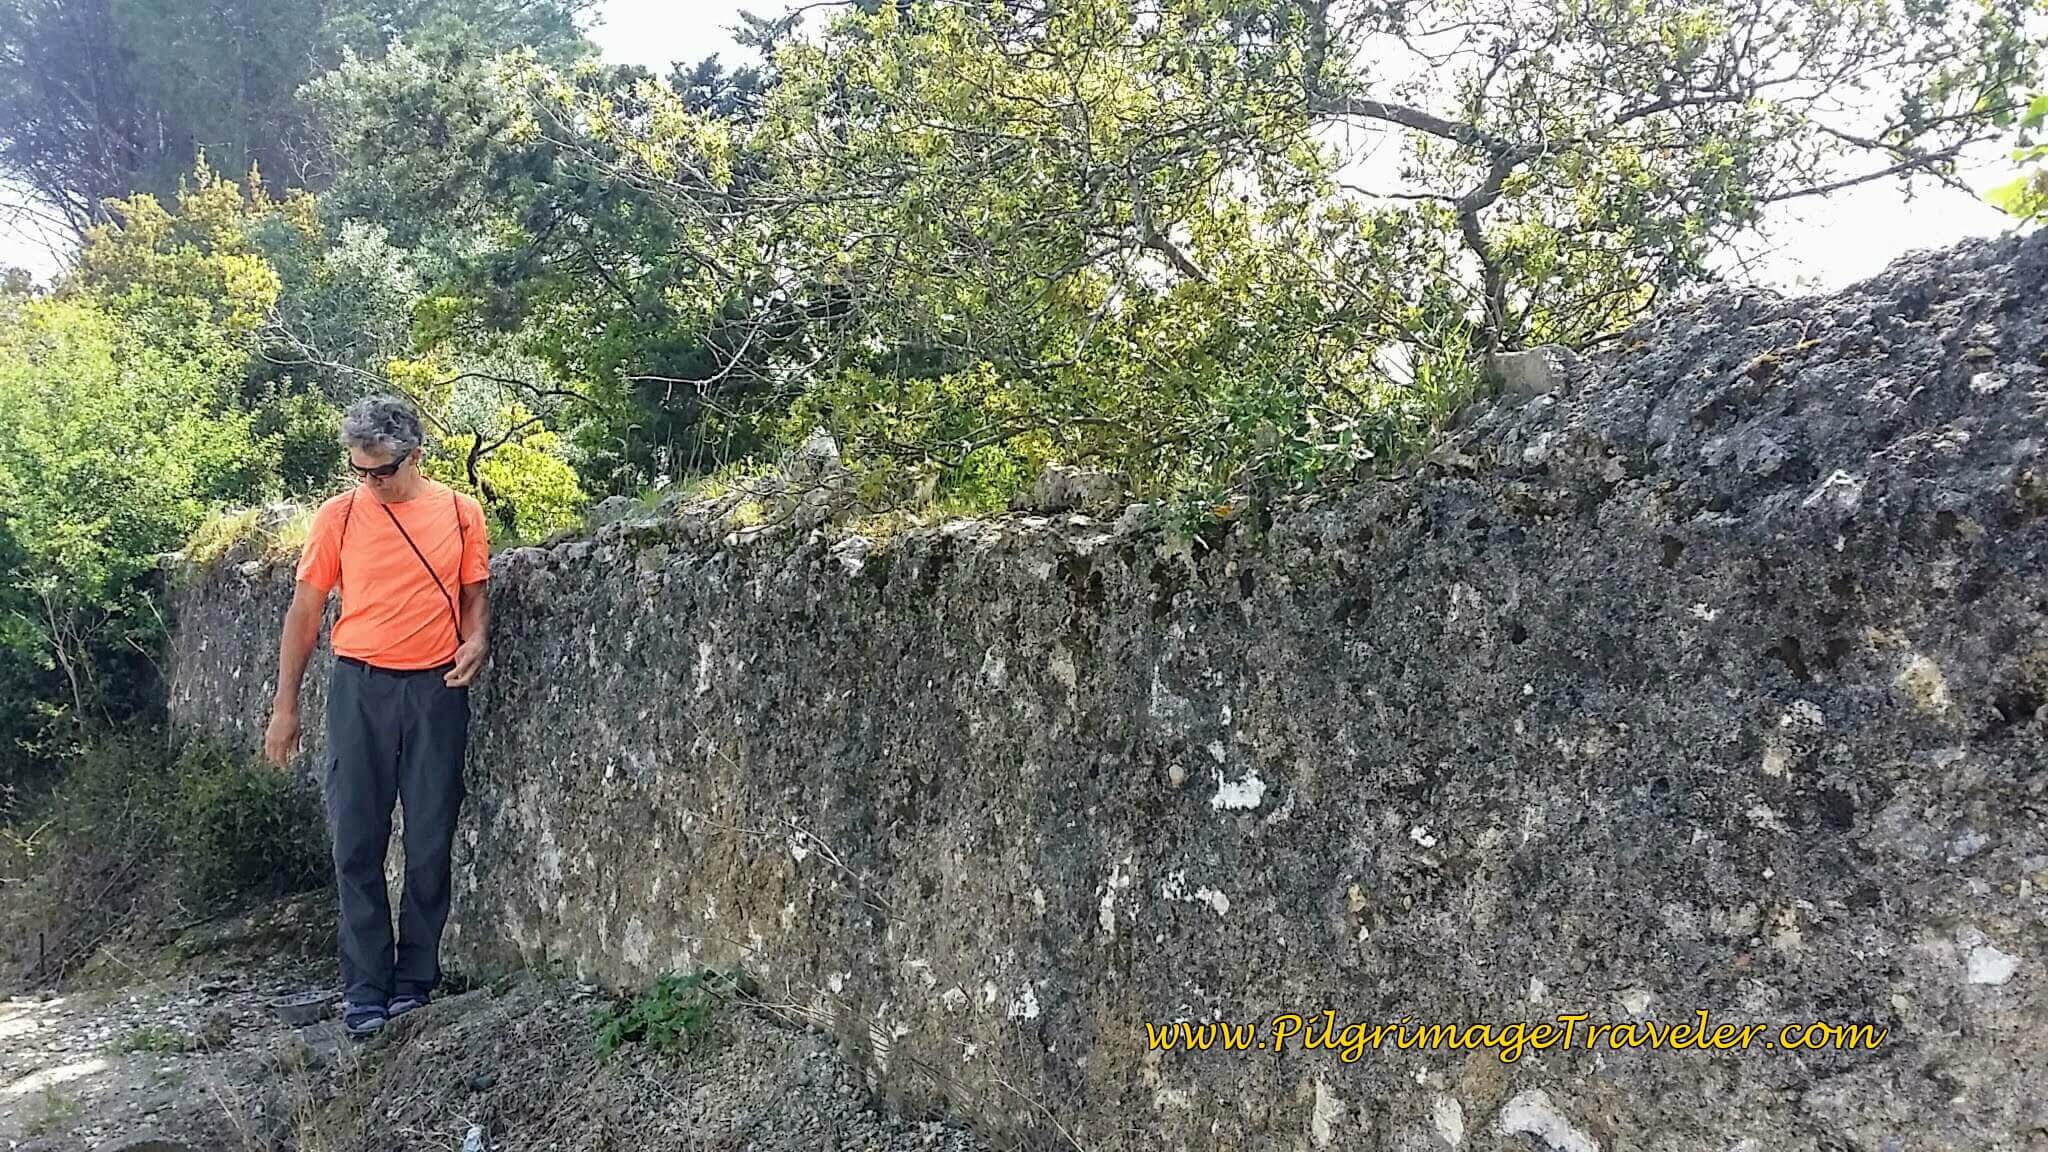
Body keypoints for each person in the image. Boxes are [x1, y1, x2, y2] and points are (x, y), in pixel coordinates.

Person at [264, 396, 491, 1039]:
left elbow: (475, 594)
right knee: (356, 839)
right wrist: (286, 709)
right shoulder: (336, 518)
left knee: (430, 836)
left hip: (435, 690)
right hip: (358, 688)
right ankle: (365, 987)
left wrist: (477, 639)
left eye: (382, 470)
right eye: (359, 470)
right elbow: (305, 614)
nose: (370, 483)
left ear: (414, 455)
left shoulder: (459, 512)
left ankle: (415, 980)